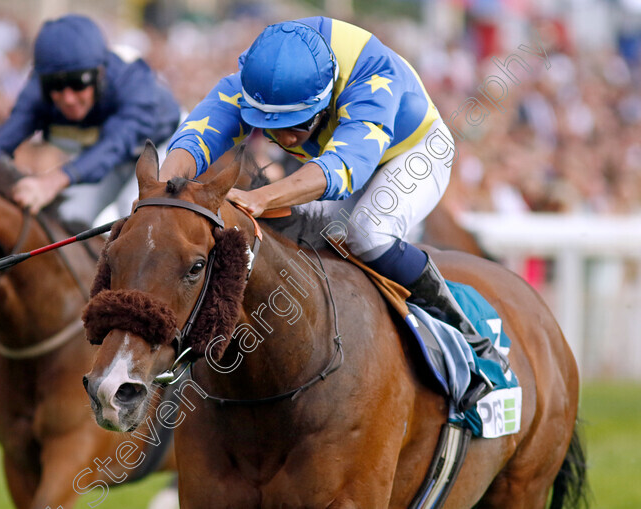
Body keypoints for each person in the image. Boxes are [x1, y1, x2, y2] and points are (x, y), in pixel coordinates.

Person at [159, 17, 508, 407]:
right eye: (270, 125)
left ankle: (469, 338)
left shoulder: (373, 76)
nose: (287, 137)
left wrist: (263, 198)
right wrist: (163, 191)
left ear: (326, 97)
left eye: (297, 123)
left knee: (368, 232)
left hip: (414, 153)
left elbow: (345, 167)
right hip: (337, 161)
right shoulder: (257, 79)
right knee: (282, 239)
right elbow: (197, 135)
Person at [0, 14, 181, 225]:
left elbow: (115, 144)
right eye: (56, 84)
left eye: (79, 82)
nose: (68, 98)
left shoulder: (131, 80)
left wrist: (50, 182)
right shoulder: (37, 90)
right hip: (106, 155)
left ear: (100, 73)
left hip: (165, 143)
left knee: (135, 208)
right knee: (69, 216)